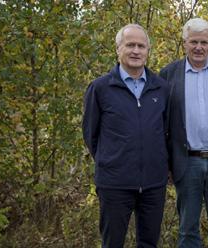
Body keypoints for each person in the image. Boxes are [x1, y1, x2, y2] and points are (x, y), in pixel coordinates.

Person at [82, 24, 169, 248]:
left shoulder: (161, 88)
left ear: (148, 51)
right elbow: (91, 135)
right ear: (118, 49)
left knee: (149, 243)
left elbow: (167, 131)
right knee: (112, 243)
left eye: (141, 46)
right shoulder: (100, 88)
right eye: (130, 45)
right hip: (114, 183)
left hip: (153, 183)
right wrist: (112, 161)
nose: (136, 51)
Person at [159, 18, 208, 248]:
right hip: (186, 162)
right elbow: (163, 124)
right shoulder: (169, 74)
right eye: (194, 42)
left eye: (204, 42)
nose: (199, 47)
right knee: (187, 229)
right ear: (184, 43)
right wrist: (168, 164)